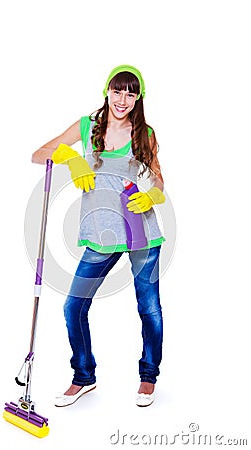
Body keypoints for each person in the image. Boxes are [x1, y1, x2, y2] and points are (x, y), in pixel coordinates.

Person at [32, 65, 166, 407]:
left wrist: (152, 195)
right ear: (107, 90)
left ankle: (148, 376)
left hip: (141, 233)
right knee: (73, 306)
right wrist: (72, 159)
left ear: (138, 98)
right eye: (117, 91)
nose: (123, 100)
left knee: (148, 308)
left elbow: (160, 181)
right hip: (100, 233)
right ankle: (83, 376)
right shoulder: (86, 126)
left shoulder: (144, 133)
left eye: (131, 93)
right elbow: (38, 154)